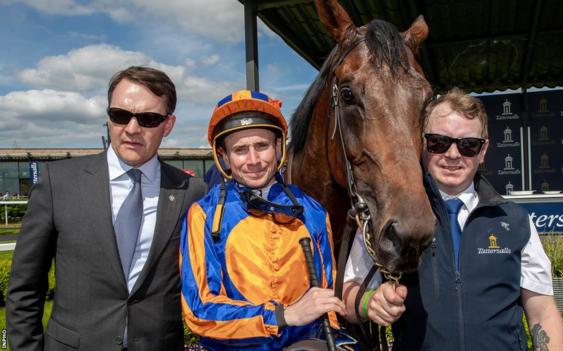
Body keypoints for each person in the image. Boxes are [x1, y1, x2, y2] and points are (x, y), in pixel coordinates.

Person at [342, 88, 563, 350]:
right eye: (439, 141)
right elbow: (348, 295)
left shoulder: (516, 221)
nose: (453, 154)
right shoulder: (385, 217)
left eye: (468, 145)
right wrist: (368, 302)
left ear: (483, 151)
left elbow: (542, 313)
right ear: (422, 143)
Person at [7, 66, 206, 351]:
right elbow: (25, 286)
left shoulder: (192, 192)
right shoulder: (58, 183)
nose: (132, 129)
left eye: (148, 118)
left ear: (168, 124)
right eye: (120, 115)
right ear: (108, 117)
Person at [180, 90, 354, 350]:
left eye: (262, 146)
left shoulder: (313, 211)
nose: (253, 160)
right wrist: (283, 316)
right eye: (240, 150)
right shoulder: (204, 215)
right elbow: (199, 311)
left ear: (279, 147)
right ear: (224, 157)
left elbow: (325, 300)